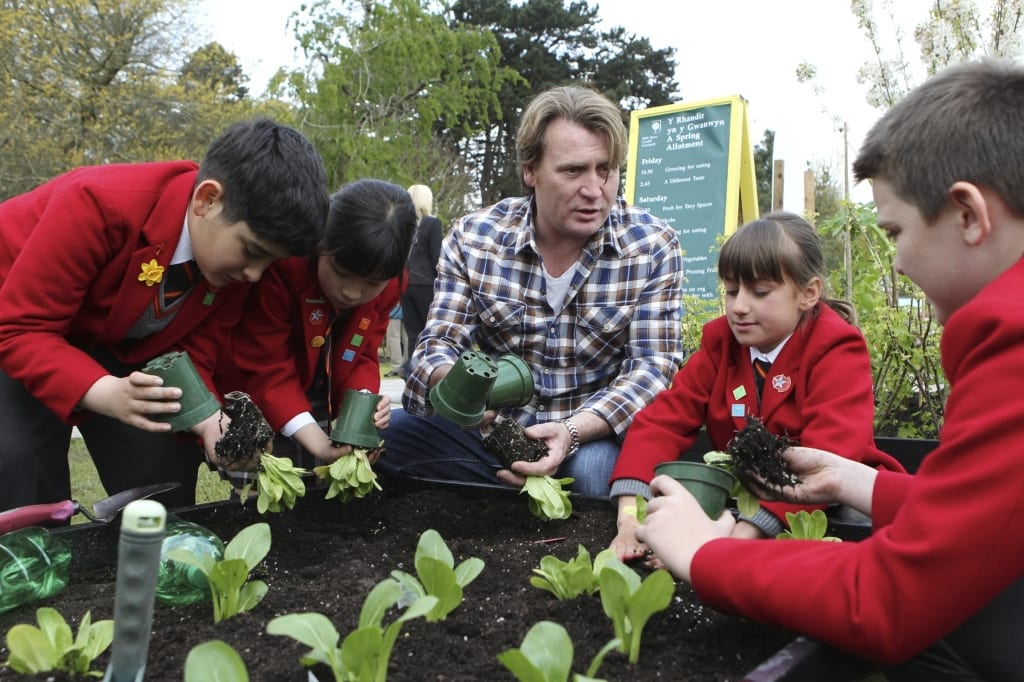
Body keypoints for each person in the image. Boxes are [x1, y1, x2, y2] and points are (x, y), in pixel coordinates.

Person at [635, 59, 1024, 680]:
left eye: (896, 231)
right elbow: (994, 517)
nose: (896, 265)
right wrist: (856, 483)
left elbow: (887, 601)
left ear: (970, 215)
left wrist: (705, 552)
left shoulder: (1012, 347)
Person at [0, 118, 329, 511]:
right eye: (252, 251)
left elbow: (199, 346)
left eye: (270, 264)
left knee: (163, 467)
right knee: (19, 463)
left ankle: (158, 560)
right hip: (19, 327)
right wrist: (107, 392)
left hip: (114, 342)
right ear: (207, 200)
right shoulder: (98, 203)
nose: (255, 275)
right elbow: (21, 328)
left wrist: (208, 419)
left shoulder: (229, 268)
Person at [378, 85, 685, 498]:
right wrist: (451, 383)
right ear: (530, 171)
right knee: (385, 443)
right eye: (573, 171)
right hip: (487, 436)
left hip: (587, 437)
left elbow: (652, 369)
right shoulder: (475, 238)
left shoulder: (651, 245)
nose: (595, 190)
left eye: (606, 169)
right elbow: (437, 344)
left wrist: (571, 432)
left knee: (595, 480)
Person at [609, 212, 904, 555]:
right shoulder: (721, 342)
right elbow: (662, 423)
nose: (739, 307)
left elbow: (828, 460)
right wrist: (631, 519)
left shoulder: (835, 348)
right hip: (749, 498)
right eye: (732, 291)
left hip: (836, 506)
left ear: (808, 294)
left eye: (760, 292)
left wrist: (729, 545)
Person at [222, 179, 417, 469]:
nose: (352, 292)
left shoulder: (390, 283)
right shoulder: (285, 268)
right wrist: (317, 441)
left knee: (318, 483)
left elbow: (363, 351)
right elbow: (265, 363)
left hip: (322, 390)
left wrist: (363, 401)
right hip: (264, 390)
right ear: (321, 244)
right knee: (264, 479)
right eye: (340, 272)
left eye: (372, 283)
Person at [398, 183, 443, 378]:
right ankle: (427, 374)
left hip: (406, 284)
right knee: (433, 332)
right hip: (426, 285)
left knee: (413, 334)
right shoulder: (432, 223)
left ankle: (411, 372)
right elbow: (437, 258)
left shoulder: (402, 225)